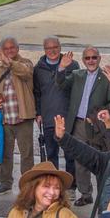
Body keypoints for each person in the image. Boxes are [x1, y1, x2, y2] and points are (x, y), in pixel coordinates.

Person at [62, 47, 110, 205]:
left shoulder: (106, 77)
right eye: (87, 58)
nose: (91, 61)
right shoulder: (76, 75)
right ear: (83, 60)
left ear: (99, 58)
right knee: (80, 161)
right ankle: (86, 194)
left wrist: (103, 115)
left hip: (98, 126)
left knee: (102, 161)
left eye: (94, 57)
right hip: (79, 123)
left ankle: (103, 195)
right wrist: (61, 68)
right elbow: (60, 84)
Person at [0, 37, 35, 194]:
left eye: (12, 47)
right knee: (4, 152)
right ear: (2, 50)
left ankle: (27, 184)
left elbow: (25, 73)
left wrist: (9, 63)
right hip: (4, 119)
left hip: (23, 117)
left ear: (18, 48)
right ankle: (5, 182)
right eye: (6, 48)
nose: (9, 51)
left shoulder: (26, 63)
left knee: (27, 154)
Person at [32, 37, 77, 171]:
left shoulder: (73, 65)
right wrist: (38, 113)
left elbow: (76, 90)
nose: (52, 51)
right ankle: (53, 183)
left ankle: (71, 186)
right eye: (48, 48)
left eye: (55, 47)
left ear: (60, 47)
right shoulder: (38, 69)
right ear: (44, 49)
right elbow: (37, 92)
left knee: (70, 154)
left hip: (67, 117)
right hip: (48, 117)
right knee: (51, 154)